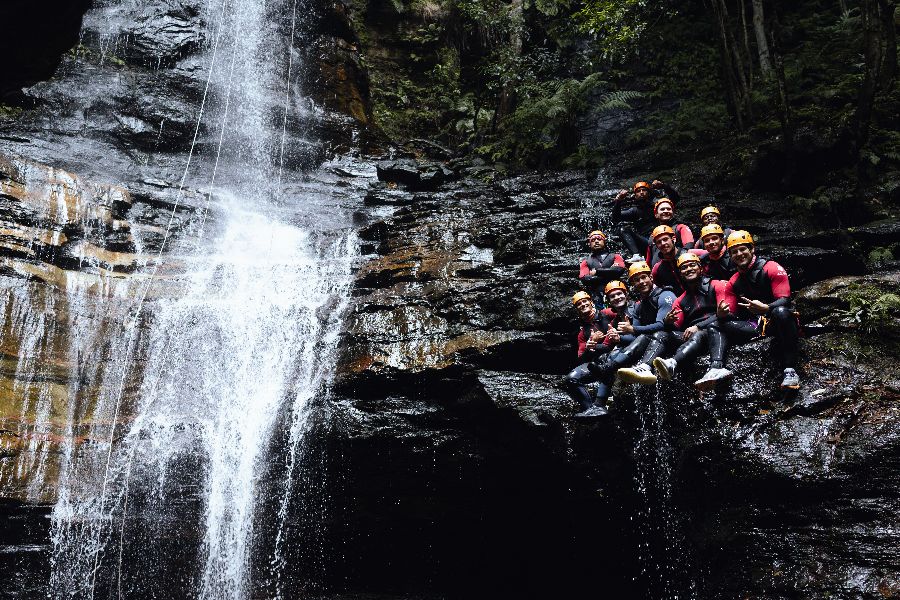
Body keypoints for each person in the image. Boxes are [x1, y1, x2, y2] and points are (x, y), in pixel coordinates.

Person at [719, 230, 801, 390]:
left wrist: (767, 308)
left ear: (752, 249)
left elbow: (785, 299)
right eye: (734, 252)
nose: (739, 254)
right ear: (730, 256)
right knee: (719, 324)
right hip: (756, 326)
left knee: (780, 312)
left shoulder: (771, 267)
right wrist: (722, 313)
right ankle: (718, 368)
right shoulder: (733, 281)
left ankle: (790, 370)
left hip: (778, 319)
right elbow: (732, 313)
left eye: (742, 249)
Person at [651, 253, 734, 391]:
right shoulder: (681, 299)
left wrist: (698, 326)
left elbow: (728, 313)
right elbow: (676, 326)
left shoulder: (717, 285)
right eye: (684, 267)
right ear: (680, 274)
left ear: (700, 268)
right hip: (695, 338)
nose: (688, 269)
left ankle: (673, 363)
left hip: (717, 330)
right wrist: (668, 322)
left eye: (692, 265)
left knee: (700, 333)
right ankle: (645, 367)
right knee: (661, 334)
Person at [589, 262, 678, 386]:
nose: (641, 282)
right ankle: (606, 371)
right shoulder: (639, 306)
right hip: (652, 340)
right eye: (636, 280)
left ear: (651, 277)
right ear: (633, 285)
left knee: (646, 336)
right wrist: (618, 338)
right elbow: (635, 335)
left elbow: (661, 325)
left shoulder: (664, 295)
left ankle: (609, 368)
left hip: (671, 337)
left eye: (643, 277)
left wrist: (631, 329)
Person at [563, 291, 618, 417]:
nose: (583, 304)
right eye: (579, 304)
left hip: (615, 355)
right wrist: (589, 347)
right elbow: (582, 358)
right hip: (597, 363)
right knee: (571, 378)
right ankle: (590, 410)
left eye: (585, 301)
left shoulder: (607, 314)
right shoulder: (583, 333)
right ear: (577, 309)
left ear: (591, 302)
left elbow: (626, 311)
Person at [613, 180, 681, 261]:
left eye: (644, 190)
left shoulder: (657, 205)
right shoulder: (634, 211)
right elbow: (616, 218)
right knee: (623, 229)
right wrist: (618, 200)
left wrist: (663, 185)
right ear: (635, 195)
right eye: (638, 191)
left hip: (662, 237)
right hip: (645, 242)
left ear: (648, 192)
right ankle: (636, 255)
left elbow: (675, 198)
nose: (641, 192)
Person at [647, 225, 707, 295]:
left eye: (665, 239)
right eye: (659, 242)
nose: (663, 243)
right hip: (681, 300)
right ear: (656, 246)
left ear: (674, 239)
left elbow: (712, 255)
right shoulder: (657, 269)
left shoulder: (692, 254)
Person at [579, 230, 626, 307]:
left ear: (604, 241)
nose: (596, 241)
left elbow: (619, 270)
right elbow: (585, 279)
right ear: (589, 244)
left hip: (616, 292)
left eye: (599, 239)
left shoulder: (615, 256)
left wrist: (597, 272)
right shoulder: (585, 261)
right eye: (593, 240)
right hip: (597, 296)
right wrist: (610, 274)